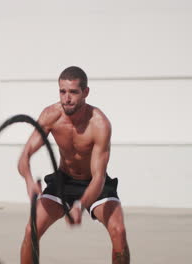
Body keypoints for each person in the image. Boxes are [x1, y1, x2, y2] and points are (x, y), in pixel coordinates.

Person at [18, 66, 130, 263]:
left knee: (118, 231)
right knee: (31, 230)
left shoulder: (99, 123)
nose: (66, 98)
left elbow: (99, 178)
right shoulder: (51, 115)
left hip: (94, 184)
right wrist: (28, 180)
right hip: (63, 180)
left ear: (85, 92)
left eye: (73, 92)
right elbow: (24, 156)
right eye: (62, 91)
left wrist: (81, 205)